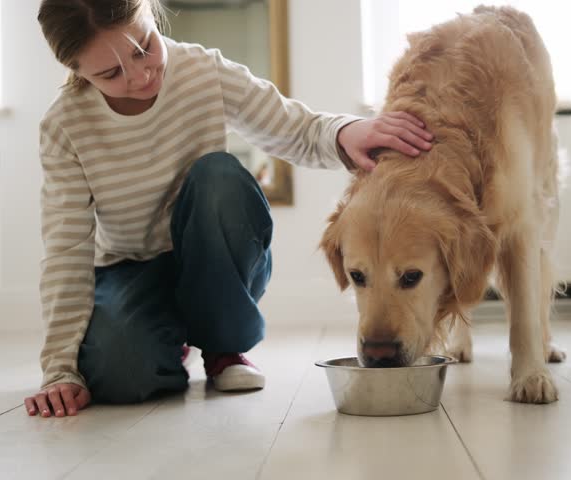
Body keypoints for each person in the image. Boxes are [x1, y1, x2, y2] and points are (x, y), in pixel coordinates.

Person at [24, 0, 433, 418]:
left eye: (144, 46)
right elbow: (66, 249)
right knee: (121, 374)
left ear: (151, 15)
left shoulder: (203, 71)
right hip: (131, 268)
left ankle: (223, 348)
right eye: (110, 73)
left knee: (219, 177)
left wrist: (347, 131)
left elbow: (291, 126)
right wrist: (59, 369)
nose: (140, 74)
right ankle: (171, 337)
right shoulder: (64, 127)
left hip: (211, 259)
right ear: (77, 71)